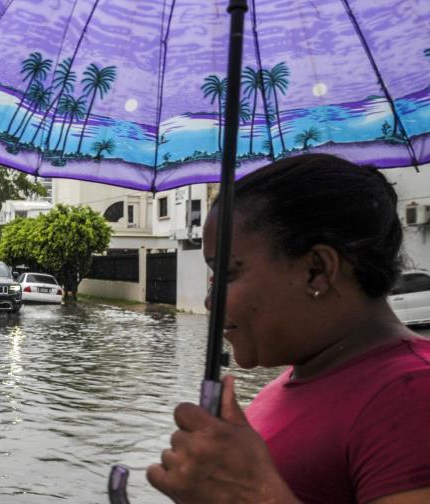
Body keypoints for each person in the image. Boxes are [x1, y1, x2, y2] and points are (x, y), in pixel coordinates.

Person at [146, 154, 430, 503]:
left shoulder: (413, 396)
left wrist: (253, 495)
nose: (209, 301)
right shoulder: (296, 381)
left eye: (227, 273)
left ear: (316, 271)